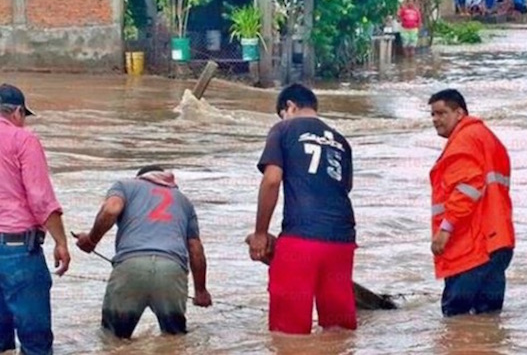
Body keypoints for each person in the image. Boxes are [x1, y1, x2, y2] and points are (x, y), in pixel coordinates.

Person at [246, 84, 356, 335]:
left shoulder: (283, 129)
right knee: (338, 330)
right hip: (342, 240)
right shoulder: (341, 140)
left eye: (283, 112)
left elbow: (272, 180)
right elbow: (344, 187)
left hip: (301, 239)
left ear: (290, 107)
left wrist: (260, 233)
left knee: (288, 334)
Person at [75, 165, 212, 339]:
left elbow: (111, 210)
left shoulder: (125, 185)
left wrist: (91, 240)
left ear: (139, 178)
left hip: (131, 267)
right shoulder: (184, 202)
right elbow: (195, 249)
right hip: (171, 271)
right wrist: (201, 291)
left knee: (113, 340)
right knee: (174, 340)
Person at [428, 89, 515, 317]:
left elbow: (467, 188)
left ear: (459, 113)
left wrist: (445, 229)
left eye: (441, 113)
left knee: (456, 317)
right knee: (487, 319)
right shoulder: (486, 137)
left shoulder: (464, 140)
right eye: (432, 115)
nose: (436, 120)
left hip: (473, 245)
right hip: (497, 241)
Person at [0, 84, 71, 355]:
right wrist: (61, 242)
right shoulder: (24, 140)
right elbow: (40, 198)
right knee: (35, 340)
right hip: (17, 251)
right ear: (18, 112)